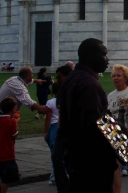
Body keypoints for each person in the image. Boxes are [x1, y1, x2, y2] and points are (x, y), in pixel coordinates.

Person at [59, 38, 116, 192]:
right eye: (104, 55)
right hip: (93, 165)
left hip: (77, 160)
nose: (107, 59)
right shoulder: (88, 84)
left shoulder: (73, 78)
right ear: (91, 55)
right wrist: (124, 149)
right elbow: (95, 125)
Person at [0, 97, 20, 193]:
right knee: (7, 179)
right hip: (8, 155)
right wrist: (16, 123)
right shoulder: (11, 121)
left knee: (3, 176)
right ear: (13, 109)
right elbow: (14, 136)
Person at [108, 65, 128, 190]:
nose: (115, 78)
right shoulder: (110, 96)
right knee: (115, 168)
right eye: (114, 76)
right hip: (115, 135)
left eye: (118, 75)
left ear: (126, 78)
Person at [51, 65, 73, 193]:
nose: (57, 80)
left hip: (73, 132)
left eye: (59, 77)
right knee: (57, 157)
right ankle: (63, 187)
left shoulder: (83, 87)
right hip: (62, 131)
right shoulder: (62, 91)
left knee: (68, 160)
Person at [44, 82, 60, 186]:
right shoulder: (67, 100)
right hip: (64, 127)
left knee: (54, 155)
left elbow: (48, 118)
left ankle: (54, 177)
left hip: (54, 128)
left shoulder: (50, 102)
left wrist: (45, 131)